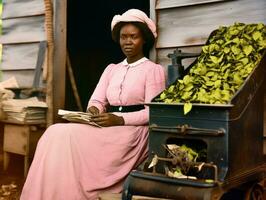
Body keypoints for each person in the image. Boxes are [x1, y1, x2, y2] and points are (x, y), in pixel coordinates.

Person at [20, 9, 166, 200]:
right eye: (123, 37)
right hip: (108, 126)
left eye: (133, 37)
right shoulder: (112, 69)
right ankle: (51, 194)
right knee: (55, 132)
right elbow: (97, 100)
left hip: (132, 133)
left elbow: (152, 114)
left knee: (65, 136)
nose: (127, 42)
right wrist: (94, 110)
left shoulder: (153, 70)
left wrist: (118, 119)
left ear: (144, 39)